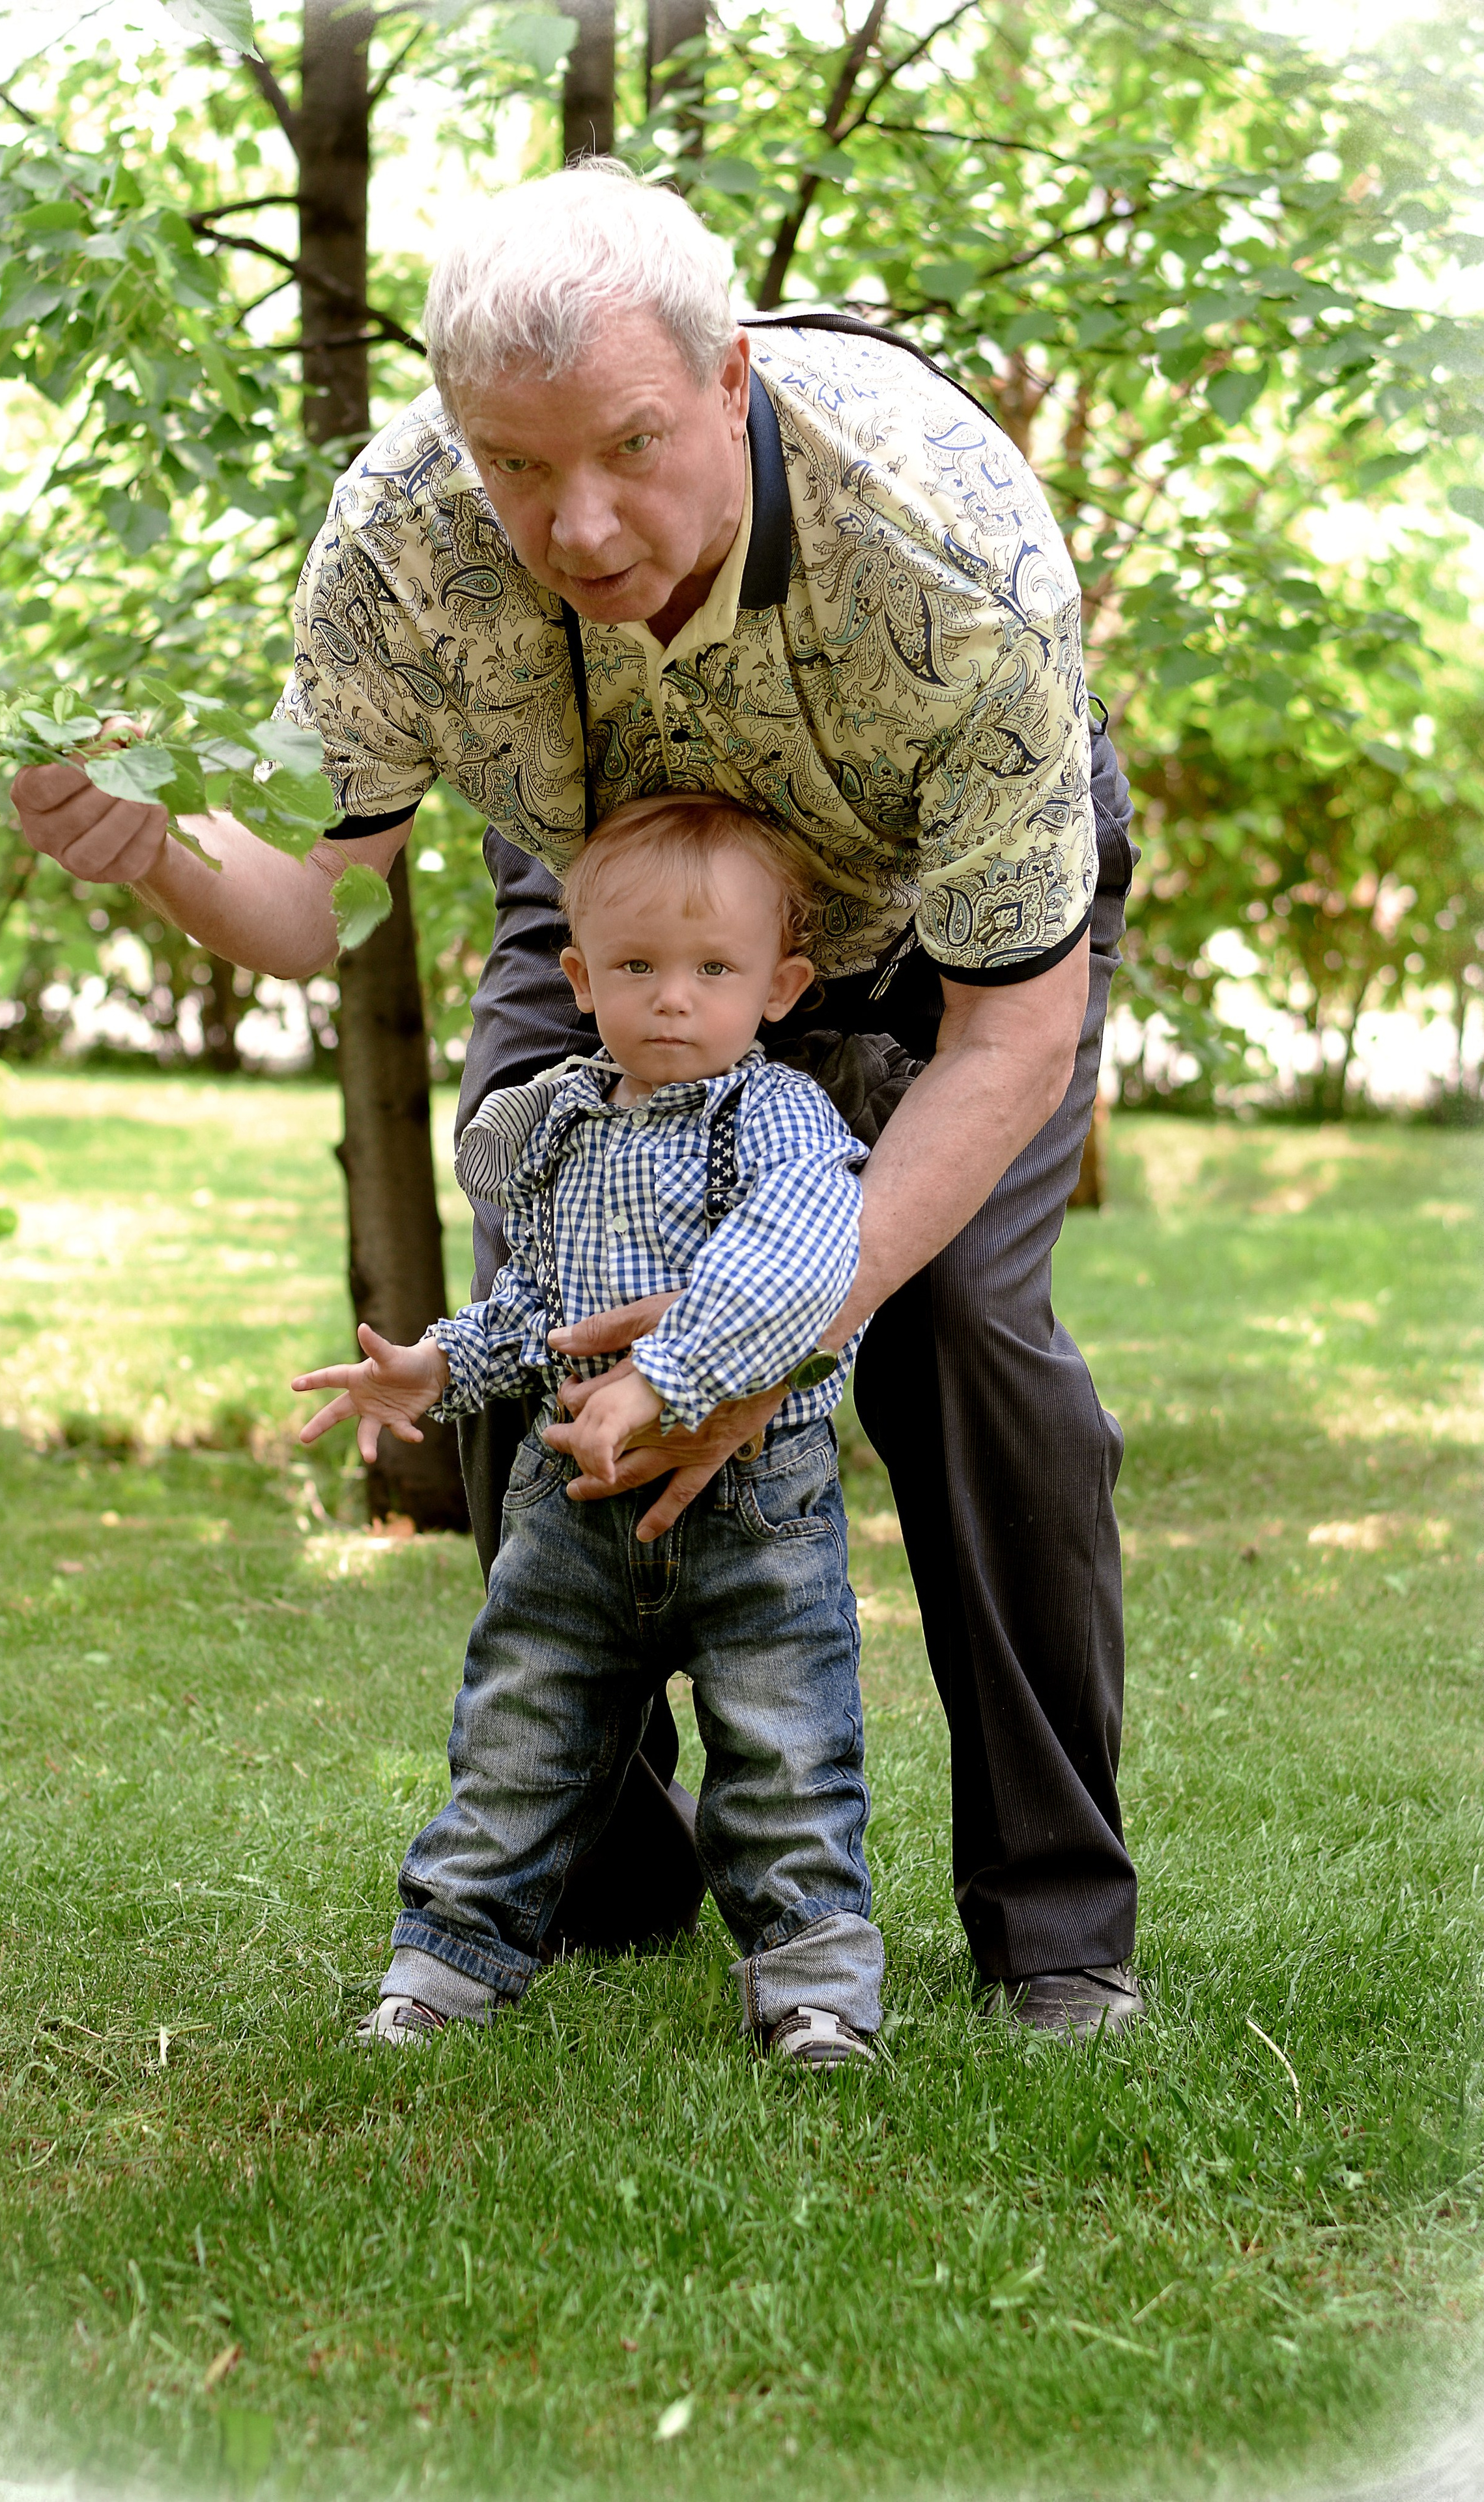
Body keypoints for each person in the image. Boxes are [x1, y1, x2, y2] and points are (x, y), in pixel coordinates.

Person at [9, 162, 1141, 2037]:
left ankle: (1058, 1932)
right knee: (530, 1321)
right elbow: (316, 892)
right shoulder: (400, 537)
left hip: (937, 927)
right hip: (618, 909)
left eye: (623, 447)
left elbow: (1011, 1036)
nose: (578, 527)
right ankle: (608, 1878)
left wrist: (775, 1319)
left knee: (954, 1330)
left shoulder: (955, 552)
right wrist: (155, 857)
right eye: (515, 467)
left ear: (728, 384)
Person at [292, 795, 882, 2071]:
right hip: (566, 1522)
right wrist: (436, 1367)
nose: (673, 999)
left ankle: (814, 1993)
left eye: (712, 970)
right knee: (517, 1736)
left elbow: (798, 1265)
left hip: (753, 1519)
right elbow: (534, 1312)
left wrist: (665, 1379)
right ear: (577, 978)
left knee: (786, 1755)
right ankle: (445, 1958)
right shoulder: (557, 1126)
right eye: (636, 968)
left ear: (778, 987)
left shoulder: (772, 1118)